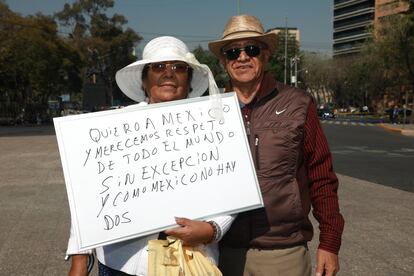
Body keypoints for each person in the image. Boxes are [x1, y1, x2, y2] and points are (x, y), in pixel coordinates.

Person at [67, 36, 234, 276]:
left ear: (189, 81)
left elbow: (233, 182)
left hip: (190, 263)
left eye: (179, 67)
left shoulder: (214, 123)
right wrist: (79, 259)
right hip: (120, 264)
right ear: (144, 80)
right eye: (158, 67)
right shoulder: (113, 127)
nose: (169, 73)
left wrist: (213, 229)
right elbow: (87, 193)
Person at [208, 15, 345, 276]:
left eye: (252, 49)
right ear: (224, 61)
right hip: (220, 252)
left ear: (267, 55)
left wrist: (330, 242)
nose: (242, 57)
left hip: (283, 252)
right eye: (233, 52)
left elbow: (321, 175)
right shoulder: (205, 110)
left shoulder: (298, 103)